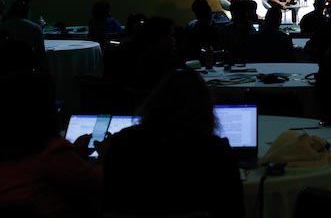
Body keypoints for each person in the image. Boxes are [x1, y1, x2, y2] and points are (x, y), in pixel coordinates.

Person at [102, 69, 245, 218]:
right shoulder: (216, 151)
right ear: (205, 108)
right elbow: (234, 211)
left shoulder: (122, 144)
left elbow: (109, 206)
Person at [0, 70, 103, 217]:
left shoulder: (12, 149)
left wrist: (74, 152)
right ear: (42, 110)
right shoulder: (52, 152)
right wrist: (106, 156)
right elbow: (98, 185)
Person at [0, 0, 45, 69]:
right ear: (28, 11)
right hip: (27, 67)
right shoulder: (34, 28)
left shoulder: (2, 26)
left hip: (5, 68)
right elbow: (41, 54)